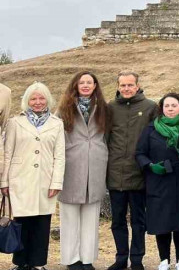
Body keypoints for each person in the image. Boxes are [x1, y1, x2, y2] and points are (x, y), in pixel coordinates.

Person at [1, 82, 65, 270]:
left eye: (41, 98)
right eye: (33, 98)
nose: (38, 102)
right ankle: (20, 263)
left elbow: (59, 156)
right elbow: (7, 153)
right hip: (19, 180)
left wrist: (57, 182)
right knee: (21, 223)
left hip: (45, 180)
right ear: (27, 101)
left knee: (41, 224)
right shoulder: (15, 122)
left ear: (48, 100)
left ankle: (38, 263)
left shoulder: (56, 123)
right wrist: (4, 181)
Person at [135, 93, 179, 270]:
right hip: (158, 181)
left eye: (174, 105)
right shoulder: (151, 128)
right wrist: (150, 166)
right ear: (161, 108)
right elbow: (140, 153)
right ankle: (163, 259)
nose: (170, 109)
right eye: (166, 106)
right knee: (161, 221)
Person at [57, 71, 110, 270]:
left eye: (90, 82)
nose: (86, 85)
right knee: (69, 216)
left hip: (96, 164)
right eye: (82, 82)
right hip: (71, 165)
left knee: (91, 216)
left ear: (95, 85)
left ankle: (87, 259)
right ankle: (71, 259)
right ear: (76, 85)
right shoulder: (64, 108)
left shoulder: (104, 108)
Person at [106, 71, 156, 270]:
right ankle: (120, 258)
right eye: (123, 85)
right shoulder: (110, 108)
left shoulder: (150, 107)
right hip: (115, 173)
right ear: (118, 86)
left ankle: (137, 259)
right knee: (117, 220)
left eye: (130, 85)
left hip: (139, 174)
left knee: (138, 221)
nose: (126, 88)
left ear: (137, 85)